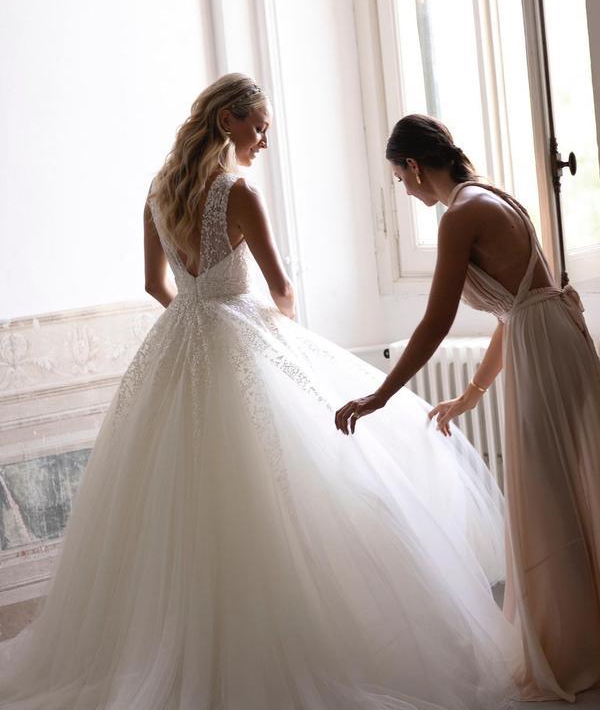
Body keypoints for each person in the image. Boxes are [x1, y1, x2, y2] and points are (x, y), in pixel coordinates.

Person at [0, 81, 520, 710]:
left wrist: (194, 317)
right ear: (229, 120)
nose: (265, 140)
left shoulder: (158, 195)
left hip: (175, 346)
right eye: (260, 127)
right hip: (241, 341)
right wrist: (265, 341)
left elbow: (152, 283)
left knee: (180, 504)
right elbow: (281, 290)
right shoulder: (237, 193)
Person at [336, 112, 600, 703]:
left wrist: (382, 393)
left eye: (400, 180)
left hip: (546, 349)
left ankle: (573, 646)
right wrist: (472, 392)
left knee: (549, 493)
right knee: (575, 483)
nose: (404, 191)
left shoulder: (460, 214)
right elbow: (520, 305)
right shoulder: (491, 195)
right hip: (554, 339)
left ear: (411, 165)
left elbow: (436, 319)